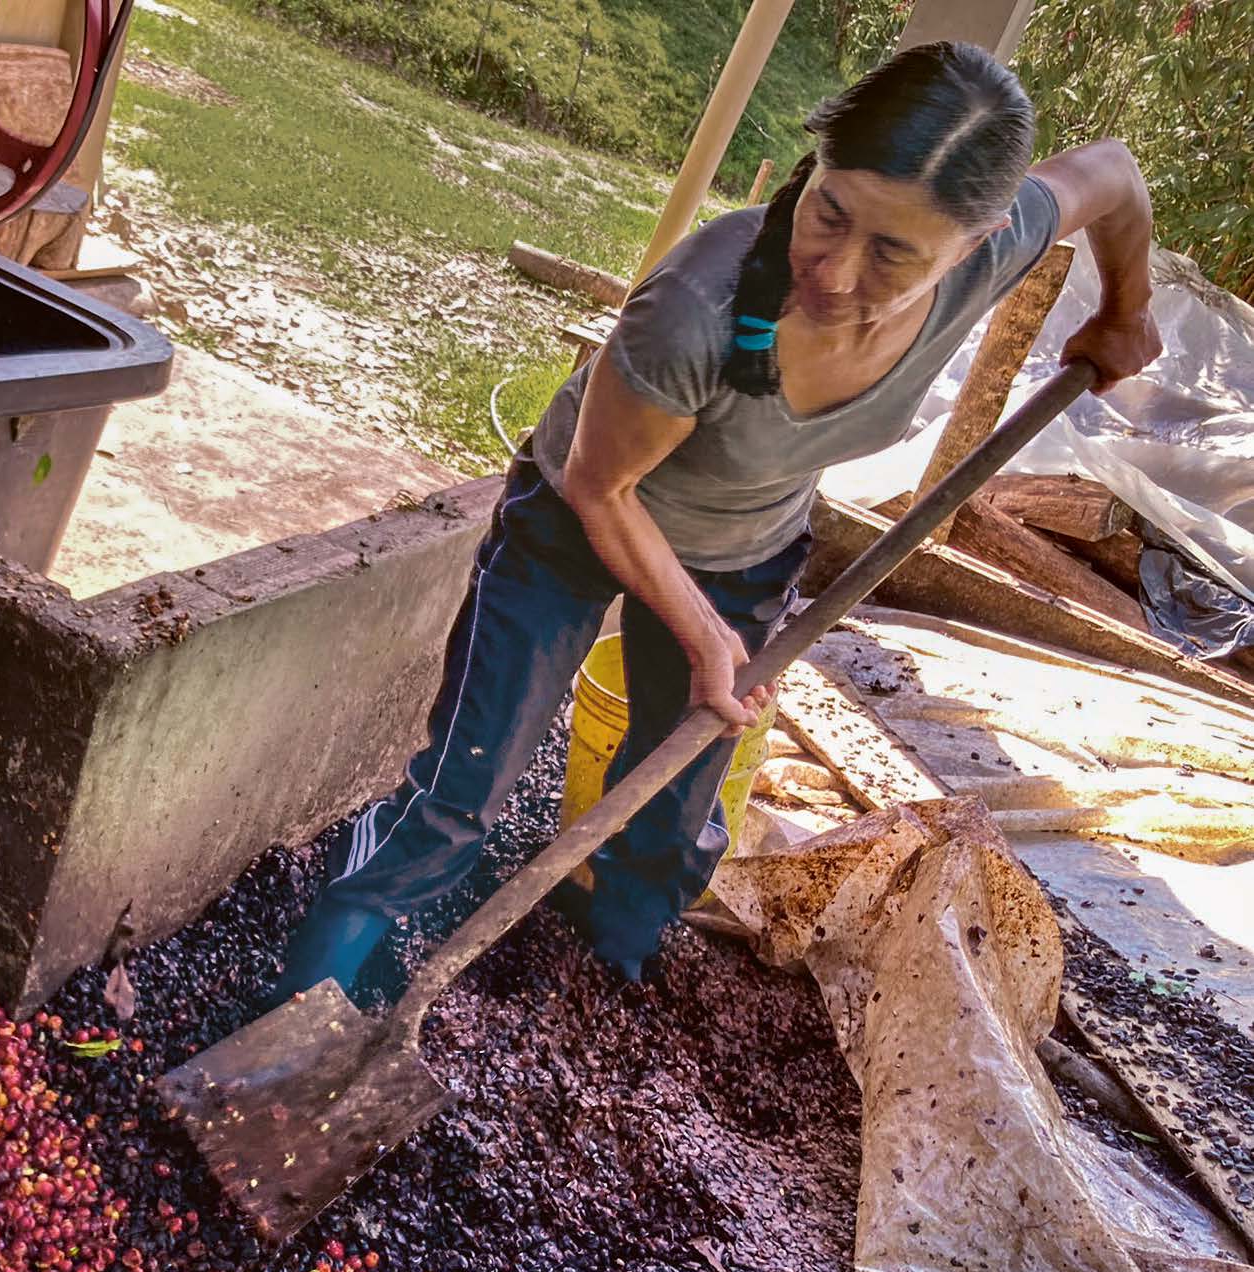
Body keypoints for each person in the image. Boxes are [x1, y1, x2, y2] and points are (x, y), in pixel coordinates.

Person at [268, 40, 1162, 1003]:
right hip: (575, 521)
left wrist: (1125, 307)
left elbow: (1110, 173)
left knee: (675, 789)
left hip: (743, 548)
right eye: (828, 212)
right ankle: (324, 967)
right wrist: (703, 638)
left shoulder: (999, 245)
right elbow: (598, 487)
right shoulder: (694, 308)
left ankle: (607, 964)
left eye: (892, 256)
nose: (832, 268)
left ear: (976, 240)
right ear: (814, 166)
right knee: (467, 781)